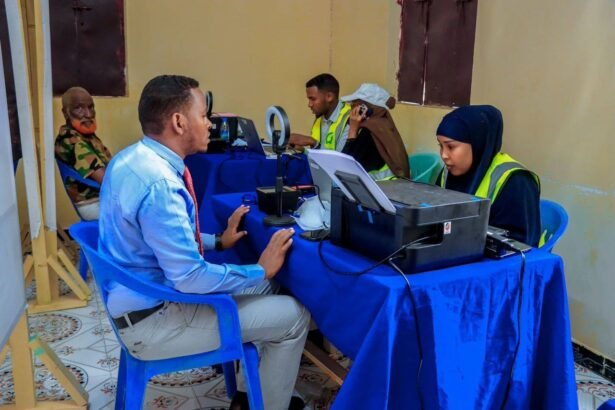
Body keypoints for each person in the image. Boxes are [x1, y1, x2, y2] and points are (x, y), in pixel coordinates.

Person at [98, 75, 310, 410]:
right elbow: (190, 278)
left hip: (136, 301)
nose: (209, 124)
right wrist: (259, 269)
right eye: (203, 115)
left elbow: (157, 238)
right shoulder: (161, 184)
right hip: (156, 319)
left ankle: (248, 397)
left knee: (273, 288)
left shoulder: (130, 159)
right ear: (179, 122)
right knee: (294, 316)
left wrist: (218, 241)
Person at [435, 105, 541, 246]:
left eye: (451, 147)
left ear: (476, 143)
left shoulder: (516, 181)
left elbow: (517, 245)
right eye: (440, 146)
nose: (444, 155)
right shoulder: (447, 173)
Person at [55, 86, 112, 220]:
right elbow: (105, 179)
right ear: (65, 113)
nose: (88, 114)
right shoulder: (70, 139)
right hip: (93, 202)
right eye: (79, 108)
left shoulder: (86, 135)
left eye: (91, 107)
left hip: (104, 196)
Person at [340, 83, 410, 180]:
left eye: (354, 104)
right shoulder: (382, 124)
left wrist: (352, 130)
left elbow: (345, 167)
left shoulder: (370, 131)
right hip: (388, 184)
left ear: (364, 109)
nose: (351, 108)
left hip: (383, 186)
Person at [289, 73, 350, 151]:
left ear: (329, 97)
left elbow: (341, 157)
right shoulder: (320, 117)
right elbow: (317, 154)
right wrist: (303, 150)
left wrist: (313, 142)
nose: (309, 104)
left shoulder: (349, 118)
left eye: (313, 99)